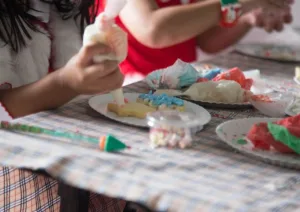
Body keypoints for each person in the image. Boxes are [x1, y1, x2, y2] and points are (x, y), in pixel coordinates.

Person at [0, 0, 126, 211]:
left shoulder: (63, 8)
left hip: (71, 157)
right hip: (15, 173)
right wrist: (65, 83)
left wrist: (102, 61)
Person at [98, 0, 294, 80]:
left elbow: (207, 41)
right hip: (124, 87)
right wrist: (240, 3)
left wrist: (249, 16)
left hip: (178, 84)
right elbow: (152, 30)